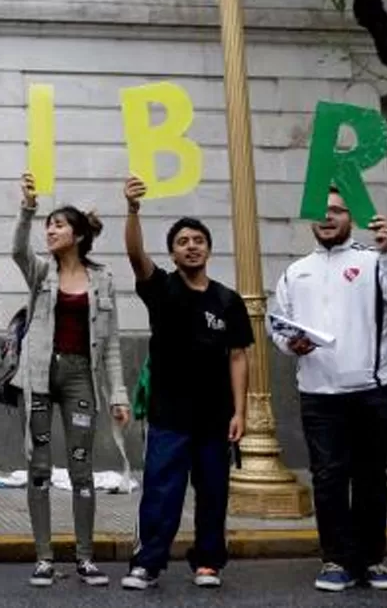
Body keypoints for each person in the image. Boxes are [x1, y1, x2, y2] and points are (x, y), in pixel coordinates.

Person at [269, 188, 387, 592]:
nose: (328, 218)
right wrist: (290, 343)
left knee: (372, 477)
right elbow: (279, 325)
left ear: (350, 218)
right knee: (328, 477)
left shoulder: (375, 262)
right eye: (321, 213)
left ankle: (372, 560)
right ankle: (336, 559)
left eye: (337, 211)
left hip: (372, 390)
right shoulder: (295, 271)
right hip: (318, 393)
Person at [120, 175, 250, 591]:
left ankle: (208, 562)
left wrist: (241, 412)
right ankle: (147, 563)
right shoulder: (161, 289)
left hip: (215, 417)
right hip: (168, 413)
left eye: (198, 239)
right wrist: (133, 210)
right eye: (182, 241)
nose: (191, 245)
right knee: (162, 491)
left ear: (208, 248)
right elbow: (135, 254)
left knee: (213, 493)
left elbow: (238, 356)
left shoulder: (228, 301)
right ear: (173, 253)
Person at [11, 172, 131, 588]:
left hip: (81, 375)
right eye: (48, 226)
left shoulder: (103, 279)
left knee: (82, 469)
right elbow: (16, 250)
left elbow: (112, 342)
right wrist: (28, 207)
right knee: (38, 468)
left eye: (58, 225)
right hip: (41, 376)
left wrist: (118, 393)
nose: (51, 231)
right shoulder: (40, 272)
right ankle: (43, 558)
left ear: (78, 235)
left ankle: (85, 557)